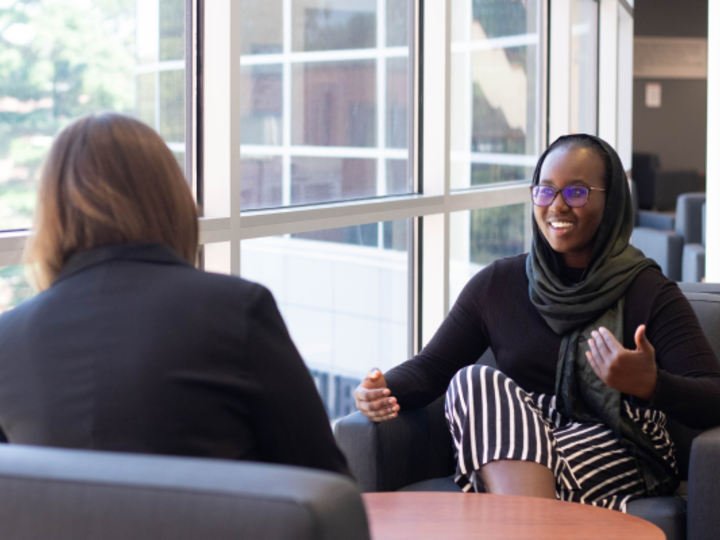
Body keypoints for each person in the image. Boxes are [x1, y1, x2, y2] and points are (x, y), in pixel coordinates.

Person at [354, 134, 720, 511]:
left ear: (611, 201)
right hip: (517, 440)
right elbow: (433, 368)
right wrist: (381, 389)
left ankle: (517, 512)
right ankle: (533, 517)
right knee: (471, 380)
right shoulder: (498, 284)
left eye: (576, 192)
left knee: (510, 472)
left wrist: (652, 385)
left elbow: (714, 395)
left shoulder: (649, 291)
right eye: (545, 191)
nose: (557, 206)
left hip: (619, 439)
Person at [0, 113, 350, 478]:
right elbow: (326, 481)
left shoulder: (6, 340)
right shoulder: (235, 310)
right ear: (169, 198)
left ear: (51, 213)